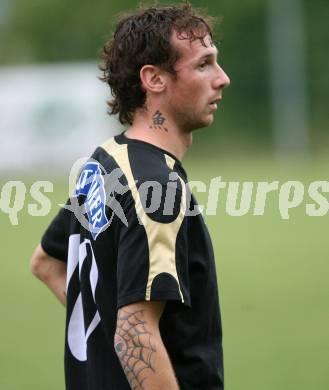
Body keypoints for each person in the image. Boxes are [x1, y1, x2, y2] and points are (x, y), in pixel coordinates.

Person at [30, 2, 230, 389]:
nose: (222, 78)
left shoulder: (106, 161)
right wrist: (122, 347)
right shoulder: (158, 188)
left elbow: (46, 262)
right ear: (154, 78)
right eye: (204, 64)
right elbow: (133, 334)